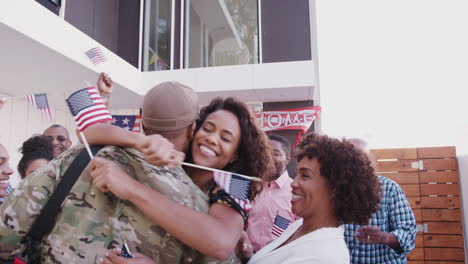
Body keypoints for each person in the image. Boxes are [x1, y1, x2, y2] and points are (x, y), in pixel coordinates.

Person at [0, 82, 215, 263]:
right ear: (192, 129)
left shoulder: (79, 156)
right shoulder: (197, 208)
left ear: (142, 120)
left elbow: (5, 235)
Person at [87, 97, 274, 263]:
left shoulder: (237, 183)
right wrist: (138, 141)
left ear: (235, 155)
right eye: (208, 129)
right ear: (193, 131)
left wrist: (130, 188)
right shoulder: (173, 155)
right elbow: (90, 134)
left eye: (225, 139)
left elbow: (221, 243)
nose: (212, 139)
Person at [245, 134, 381, 264]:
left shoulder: (322, 256)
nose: (293, 183)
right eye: (297, 174)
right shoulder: (299, 226)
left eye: (305, 175)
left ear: (335, 187)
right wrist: (248, 255)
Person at [344, 138, 417, 263]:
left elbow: (408, 234)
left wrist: (385, 237)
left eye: (360, 159)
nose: (353, 166)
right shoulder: (331, 192)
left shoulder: (390, 189)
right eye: (347, 160)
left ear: (370, 161)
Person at [244, 134, 296, 254]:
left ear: (287, 159)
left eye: (276, 153)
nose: (269, 158)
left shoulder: (295, 191)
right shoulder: (250, 187)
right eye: (265, 152)